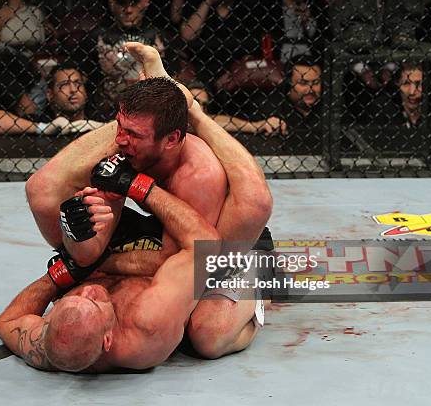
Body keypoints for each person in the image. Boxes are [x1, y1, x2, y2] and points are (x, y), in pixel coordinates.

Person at [23, 42, 273, 360]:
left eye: (134, 134)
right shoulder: (123, 147)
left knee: (207, 335)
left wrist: (93, 268)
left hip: (218, 250)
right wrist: (81, 251)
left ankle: (256, 289)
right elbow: (45, 191)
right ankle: (172, 97)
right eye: (120, 126)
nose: (120, 140)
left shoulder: (197, 175)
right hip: (161, 230)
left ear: (171, 140)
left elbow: (185, 257)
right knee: (45, 198)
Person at [0, 179, 219, 372]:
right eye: (93, 302)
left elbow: (6, 322)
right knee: (208, 334)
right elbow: (207, 246)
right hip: (216, 264)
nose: (87, 290)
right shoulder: (148, 320)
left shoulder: (47, 346)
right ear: (108, 340)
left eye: (74, 296)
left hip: (132, 256)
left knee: (43, 194)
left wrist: (61, 276)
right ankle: (254, 293)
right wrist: (139, 186)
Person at [0, 64, 105, 136]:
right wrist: (43, 128)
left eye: (78, 84)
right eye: (64, 85)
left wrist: (102, 127)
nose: (73, 90)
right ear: (50, 94)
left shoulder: (97, 118)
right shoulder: (39, 120)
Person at [187, 80, 287, 136]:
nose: (199, 107)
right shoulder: (174, 119)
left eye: (204, 104)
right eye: (195, 101)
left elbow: (220, 120)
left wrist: (256, 126)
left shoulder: (205, 121)